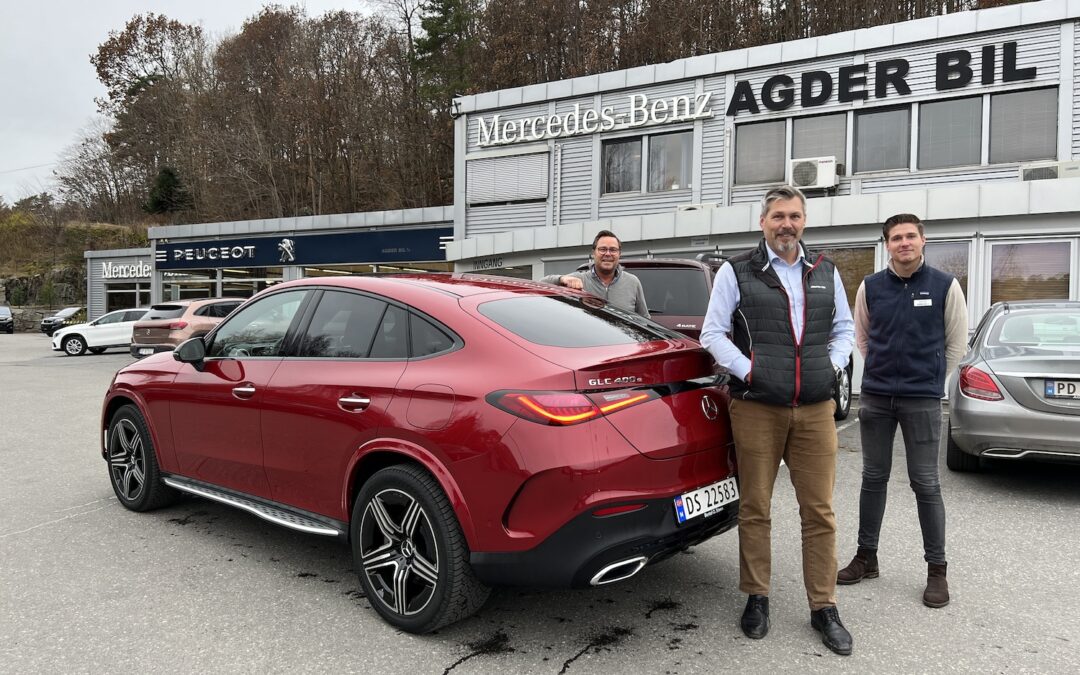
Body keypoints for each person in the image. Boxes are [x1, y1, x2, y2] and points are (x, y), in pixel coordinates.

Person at [701, 185, 855, 656]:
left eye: (794, 216)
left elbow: (845, 329)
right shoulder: (737, 271)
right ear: (763, 222)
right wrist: (751, 371)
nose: (786, 224)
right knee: (755, 507)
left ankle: (823, 606)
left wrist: (828, 366)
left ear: (804, 220)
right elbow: (712, 332)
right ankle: (757, 597)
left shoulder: (826, 271)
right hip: (756, 409)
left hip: (814, 410)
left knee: (820, 512)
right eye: (778, 217)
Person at [837, 213, 968, 609]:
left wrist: (928, 380)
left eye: (911, 236)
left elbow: (955, 343)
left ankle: (937, 570)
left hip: (922, 400)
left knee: (925, 483)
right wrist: (880, 371)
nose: (904, 243)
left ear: (923, 240)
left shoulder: (945, 285)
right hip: (876, 398)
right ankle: (866, 557)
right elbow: (862, 336)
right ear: (887, 244)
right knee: (872, 478)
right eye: (896, 238)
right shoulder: (871, 286)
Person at [541, 230, 650, 317]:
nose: (608, 254)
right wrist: (562, 279)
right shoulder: (580, 279)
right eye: (602, 249)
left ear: (619, 254)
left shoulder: (632, 282)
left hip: (623, 344)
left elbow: (644, 320)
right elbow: (540, 284)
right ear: (594, 253)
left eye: (613, 250)